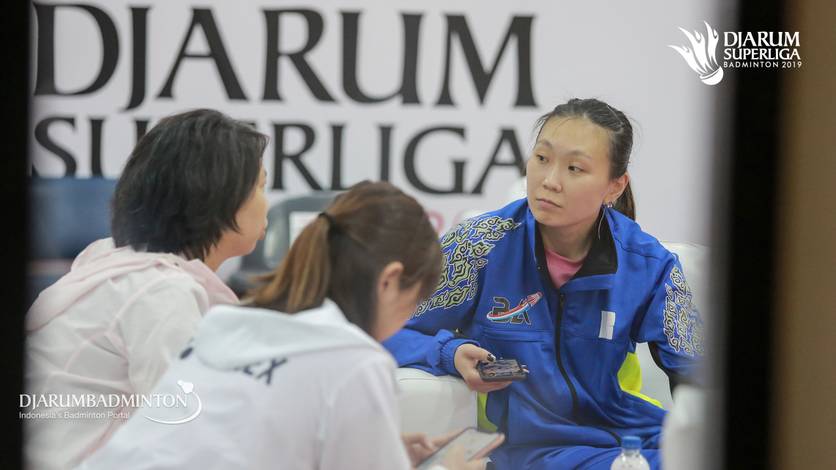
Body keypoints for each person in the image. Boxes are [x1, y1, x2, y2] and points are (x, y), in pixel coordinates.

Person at [77, 181, 491, 470]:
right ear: (388, 281)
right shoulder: (354, 359)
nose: (408, 319)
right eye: (414, 302)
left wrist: (386, 451)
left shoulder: (229, 322)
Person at [384, 98, 705, 469]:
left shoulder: (649, 264)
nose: (549, 181)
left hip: (633, 442)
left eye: (574, 168)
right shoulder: (477, 246)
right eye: (541, 159)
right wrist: (449, 352)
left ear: (615, 186)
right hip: (526, 451)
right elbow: (385, 330)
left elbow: (695, 375)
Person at [24, 109, 269, 470]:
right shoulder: (160, 293)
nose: (267, 202)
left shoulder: (113, 262)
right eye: (261, 186)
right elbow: (188, 440)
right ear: (219, 196)